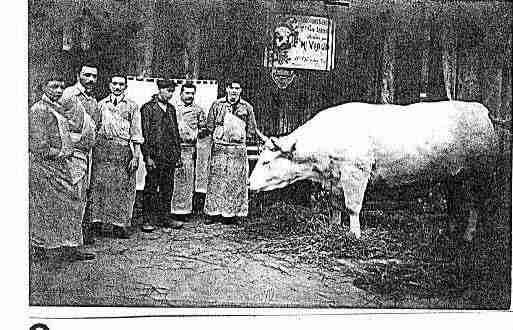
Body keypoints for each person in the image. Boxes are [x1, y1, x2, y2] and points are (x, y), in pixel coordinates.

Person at [29, 75, 96, 262]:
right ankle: (45, 249)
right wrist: (61, 153)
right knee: (47, 208)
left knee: (67, 206)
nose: (59, 91)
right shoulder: (39, 110)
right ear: (43, 87)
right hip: (45, 167)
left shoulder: (55, 107)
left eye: (61, 87)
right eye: (54, 86)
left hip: (58, 166)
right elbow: (39, 146)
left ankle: (67, 246)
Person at [88, 74, 144, 239]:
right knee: (100, 186)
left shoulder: (132, 106)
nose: (118, 87)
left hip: (122, 149)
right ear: (109, 85)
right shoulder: (100, 104)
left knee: (122, 188)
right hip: (102, 149)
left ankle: (120, 224)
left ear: (125, 86)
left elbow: (136, 132)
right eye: (114, 84)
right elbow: (94, 128)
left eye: (121, 84)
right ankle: (97, 221)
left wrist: (136, 156)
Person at [204, 79, 261, 224]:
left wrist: (239, 136)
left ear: (241, 90)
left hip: (237, 148)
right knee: (217, 179)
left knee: (236, 180)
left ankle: (234, 214)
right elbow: (209, 125)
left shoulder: (247, 107)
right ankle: (213, 213)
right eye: (231, 88)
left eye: (237, 88)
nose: (234, 91)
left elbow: (252, 128)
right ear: (226, 89)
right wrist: (220, 133)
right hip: (220, 147)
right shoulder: (217, 105)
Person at [61, 61, 100, 244]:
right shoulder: (69, 95)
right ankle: (69, 241)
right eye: (87, 75)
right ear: (78, 75)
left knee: (84, 193)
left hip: (87, 153)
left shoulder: (93, 100)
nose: (91, 80)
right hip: (71, 154)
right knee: (72, 194)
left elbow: (96, 126)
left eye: (94, 76)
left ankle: (79, 235)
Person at [140, 79, 184, 231]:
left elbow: (175, 132)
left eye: (172, 91)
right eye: (167, 90)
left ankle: (165, 217)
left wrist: (177, 155)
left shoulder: (171, 109)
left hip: (170, 156)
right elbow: (144, 133)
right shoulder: (147, 108)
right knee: (151, 188)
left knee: (167, 188)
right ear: (160, 89)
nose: (170, 94)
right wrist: (147, 157)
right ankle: (147, 219)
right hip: (154, 156)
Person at [170, 82, 208, 220]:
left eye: (192, 93)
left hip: (189, 149)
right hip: (174, 148)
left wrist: (196, 132)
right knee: (173, 179)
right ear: (181, 94)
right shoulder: (173, 108)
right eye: (187, 93)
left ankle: (184, 211)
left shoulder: (198, 110)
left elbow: (204, 129)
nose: (189, 96)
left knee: (187, 179)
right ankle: (171, 210)